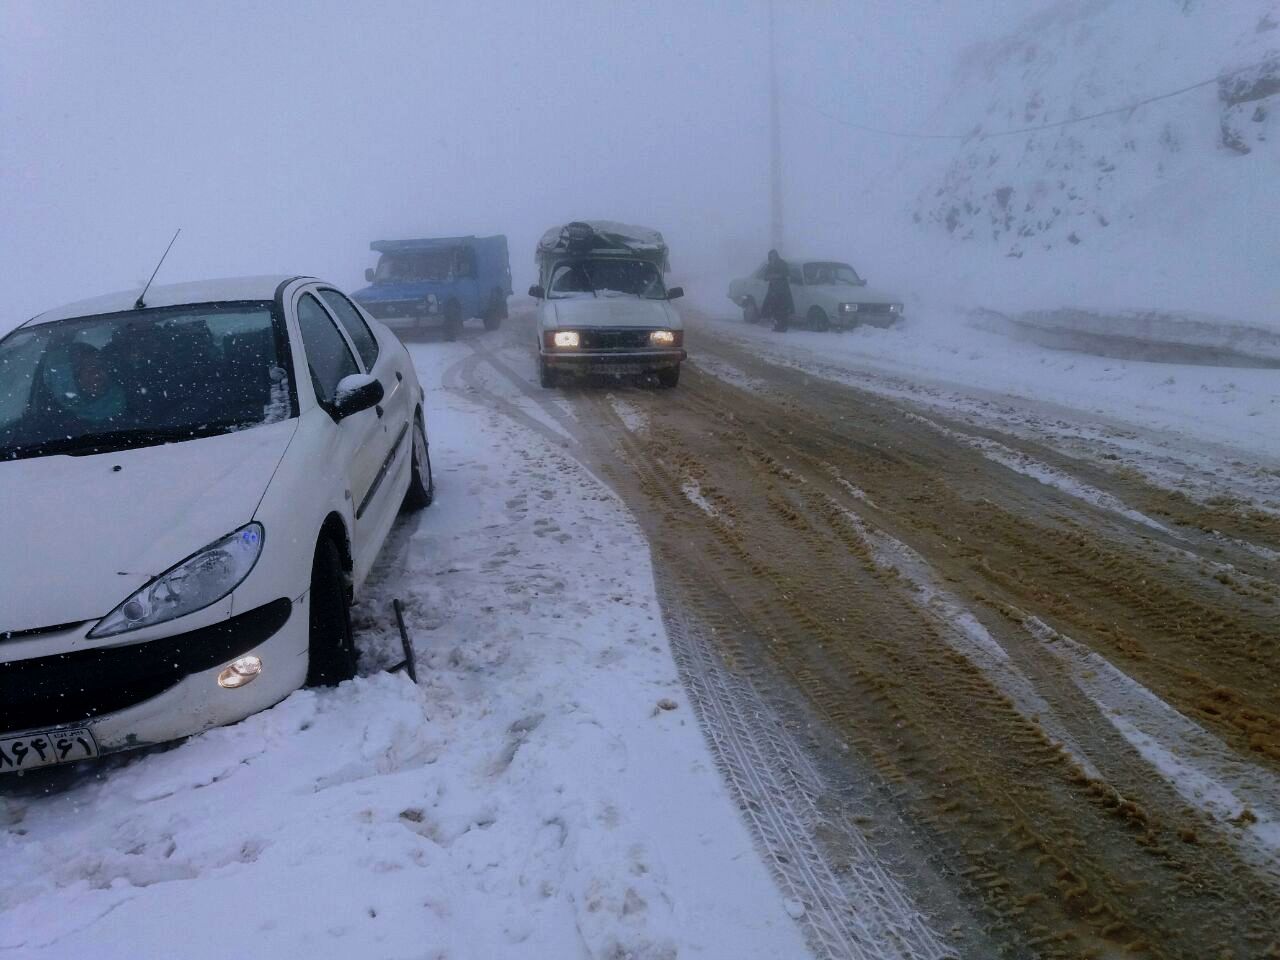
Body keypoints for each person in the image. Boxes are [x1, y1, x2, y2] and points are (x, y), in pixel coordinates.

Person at [760, 249, 794, 332]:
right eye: (771, 255)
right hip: (773, 290)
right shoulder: (769, 265)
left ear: (777, 255)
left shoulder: (782, 263)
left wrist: (776, 276)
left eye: (774, 255)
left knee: (782, 309)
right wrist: (770, 277)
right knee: (774, 309)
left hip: (782, 290)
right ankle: (777, 326)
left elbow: (786, 274)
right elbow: (765, 277)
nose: (772, 257)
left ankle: (783, 326)